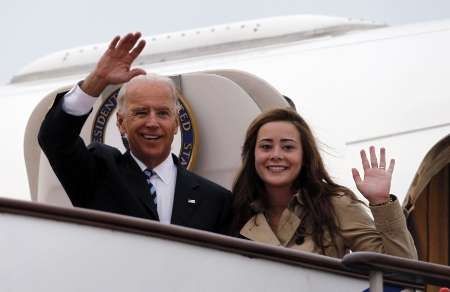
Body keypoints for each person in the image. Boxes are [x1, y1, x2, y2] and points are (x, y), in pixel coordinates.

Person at [38, 32, 231, 233]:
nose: (152, 122)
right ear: (121, 123)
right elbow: (55, 139)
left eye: (163, 113)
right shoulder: (98, 174)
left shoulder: (216, 200)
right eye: (141, 113)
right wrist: (97, 80)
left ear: (175, 124)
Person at [229, 108, 417, 259]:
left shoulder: (334, 204)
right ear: (252, 155)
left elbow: (402, 269)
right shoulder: (235, 209)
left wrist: (381, 203)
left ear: (304, 156)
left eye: (288, 147)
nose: (276, 155)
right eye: (266, 147)